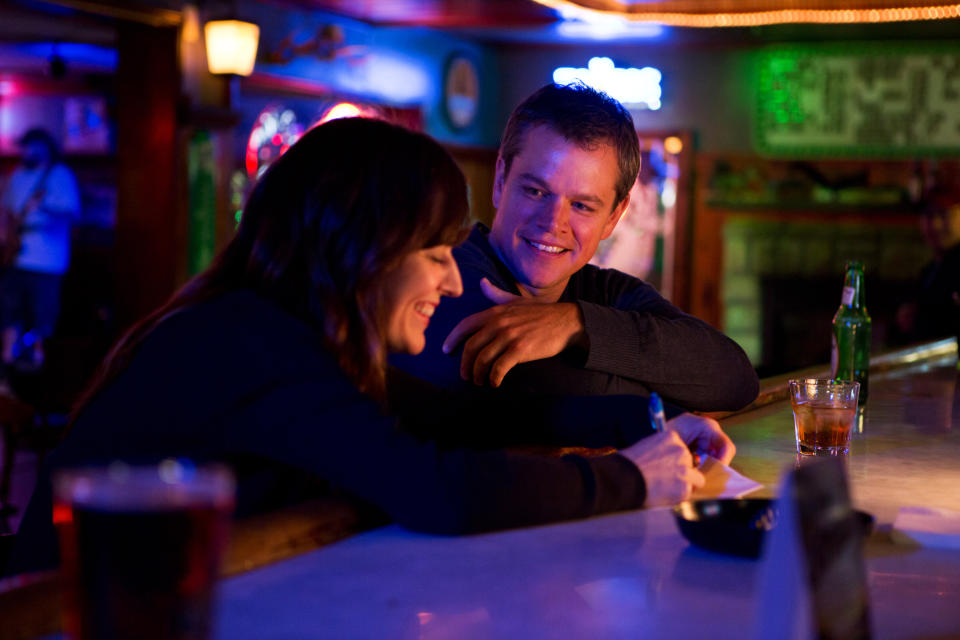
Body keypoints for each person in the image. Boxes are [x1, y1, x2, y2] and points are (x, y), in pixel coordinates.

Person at [7, 117, 733, 576]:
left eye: (582, 203)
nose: (453, 279)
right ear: (364, 251)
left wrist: (647, 426)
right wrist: (635, 482)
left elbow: (466, 419)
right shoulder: (248, 343)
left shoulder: (297, 338)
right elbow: (436, 489)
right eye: (434, 252)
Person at [393, 83, 758, 413]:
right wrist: (664, 401)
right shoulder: (447, 275)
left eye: (582, 205)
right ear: (501, 181)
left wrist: (576, 324)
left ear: (614, 217)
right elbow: (550, 393)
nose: (553, 223)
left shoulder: (606, 291)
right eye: (536, 191)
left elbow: (735, 379)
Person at [0, 128, 80, 368]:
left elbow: (71, 211)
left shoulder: (60, 175)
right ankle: (7, 359)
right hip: (16, 255)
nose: (28, 151)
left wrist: (45, 205)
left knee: (43, 313)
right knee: (10, 309)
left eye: (33, 146)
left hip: (47, 259)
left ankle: (38, 359)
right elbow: (8, 212)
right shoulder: (17, 176)